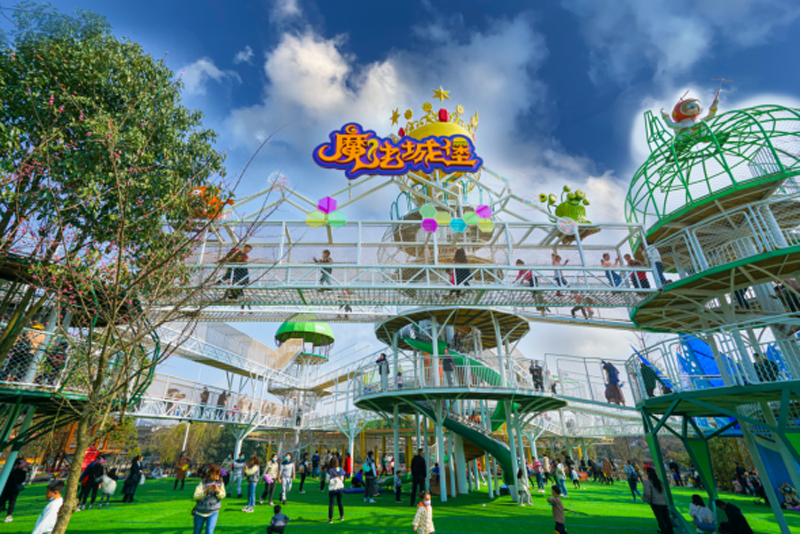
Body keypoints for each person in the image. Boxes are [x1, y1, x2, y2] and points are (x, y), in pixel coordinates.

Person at [193, 464, 225, 534]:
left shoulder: (220, 482)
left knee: (209, 532)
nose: (214, 476)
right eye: (213, 474)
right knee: (197, 532)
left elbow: (222, 496)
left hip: (213, 511)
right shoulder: (203, 482)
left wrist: (218, 491)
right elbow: (195, 496)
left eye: (216, 474)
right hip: (200, 511)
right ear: (210, 473)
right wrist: (206, 491)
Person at [643, 466, 674, 534]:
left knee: (660, 521)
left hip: (655, 503)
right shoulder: (659, 482)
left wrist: (647, 501)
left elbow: (647, 494)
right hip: (663, 503)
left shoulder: (647, 482)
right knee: (667, 520)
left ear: (647, 473)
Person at [327, 456, 345, 523]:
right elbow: (343, 479)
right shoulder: (341, 469)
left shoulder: (330, 470)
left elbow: (327, 480)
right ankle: (341, 516)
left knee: (331, 504)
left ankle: (330, 519)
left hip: (332, 489)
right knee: (340, 502)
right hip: (340, 488)